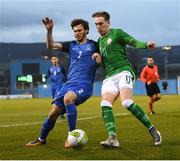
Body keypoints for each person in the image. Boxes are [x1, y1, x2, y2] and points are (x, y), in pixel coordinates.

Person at [25, 17, 101, 148]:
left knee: (68, 98)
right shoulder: (71, 45)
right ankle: (41, 139)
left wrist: (99, 58)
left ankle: (71, 137)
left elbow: (102, 57)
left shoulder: (95, 45)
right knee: (53, 112)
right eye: (75, 31)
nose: (77, 33)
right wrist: (49, 30)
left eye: (79, 30)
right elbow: (51, 46)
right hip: (69, 84)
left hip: (84, 84)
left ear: (86, 30)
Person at [92, 11, 162, 148]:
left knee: (127, 102)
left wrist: (146, 44)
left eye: (100, 23)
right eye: (96, 24)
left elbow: (134, 42)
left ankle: (153, 130)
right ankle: (112, 138)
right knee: (105, 104)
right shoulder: (100, 41)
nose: (98, 27)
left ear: (108, 23)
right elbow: (104, 64)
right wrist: (98, 60)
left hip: (124, 71)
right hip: (109, 76)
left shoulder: (117, 33)